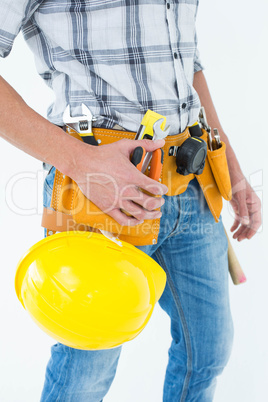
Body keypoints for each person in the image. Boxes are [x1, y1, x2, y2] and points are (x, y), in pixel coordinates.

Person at [0, 1, 261, 401]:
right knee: (86, 368)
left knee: (208, 352)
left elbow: (187, 62)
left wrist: (232, 168)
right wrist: (81, 163)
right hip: (99, 187)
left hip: (192, 181)